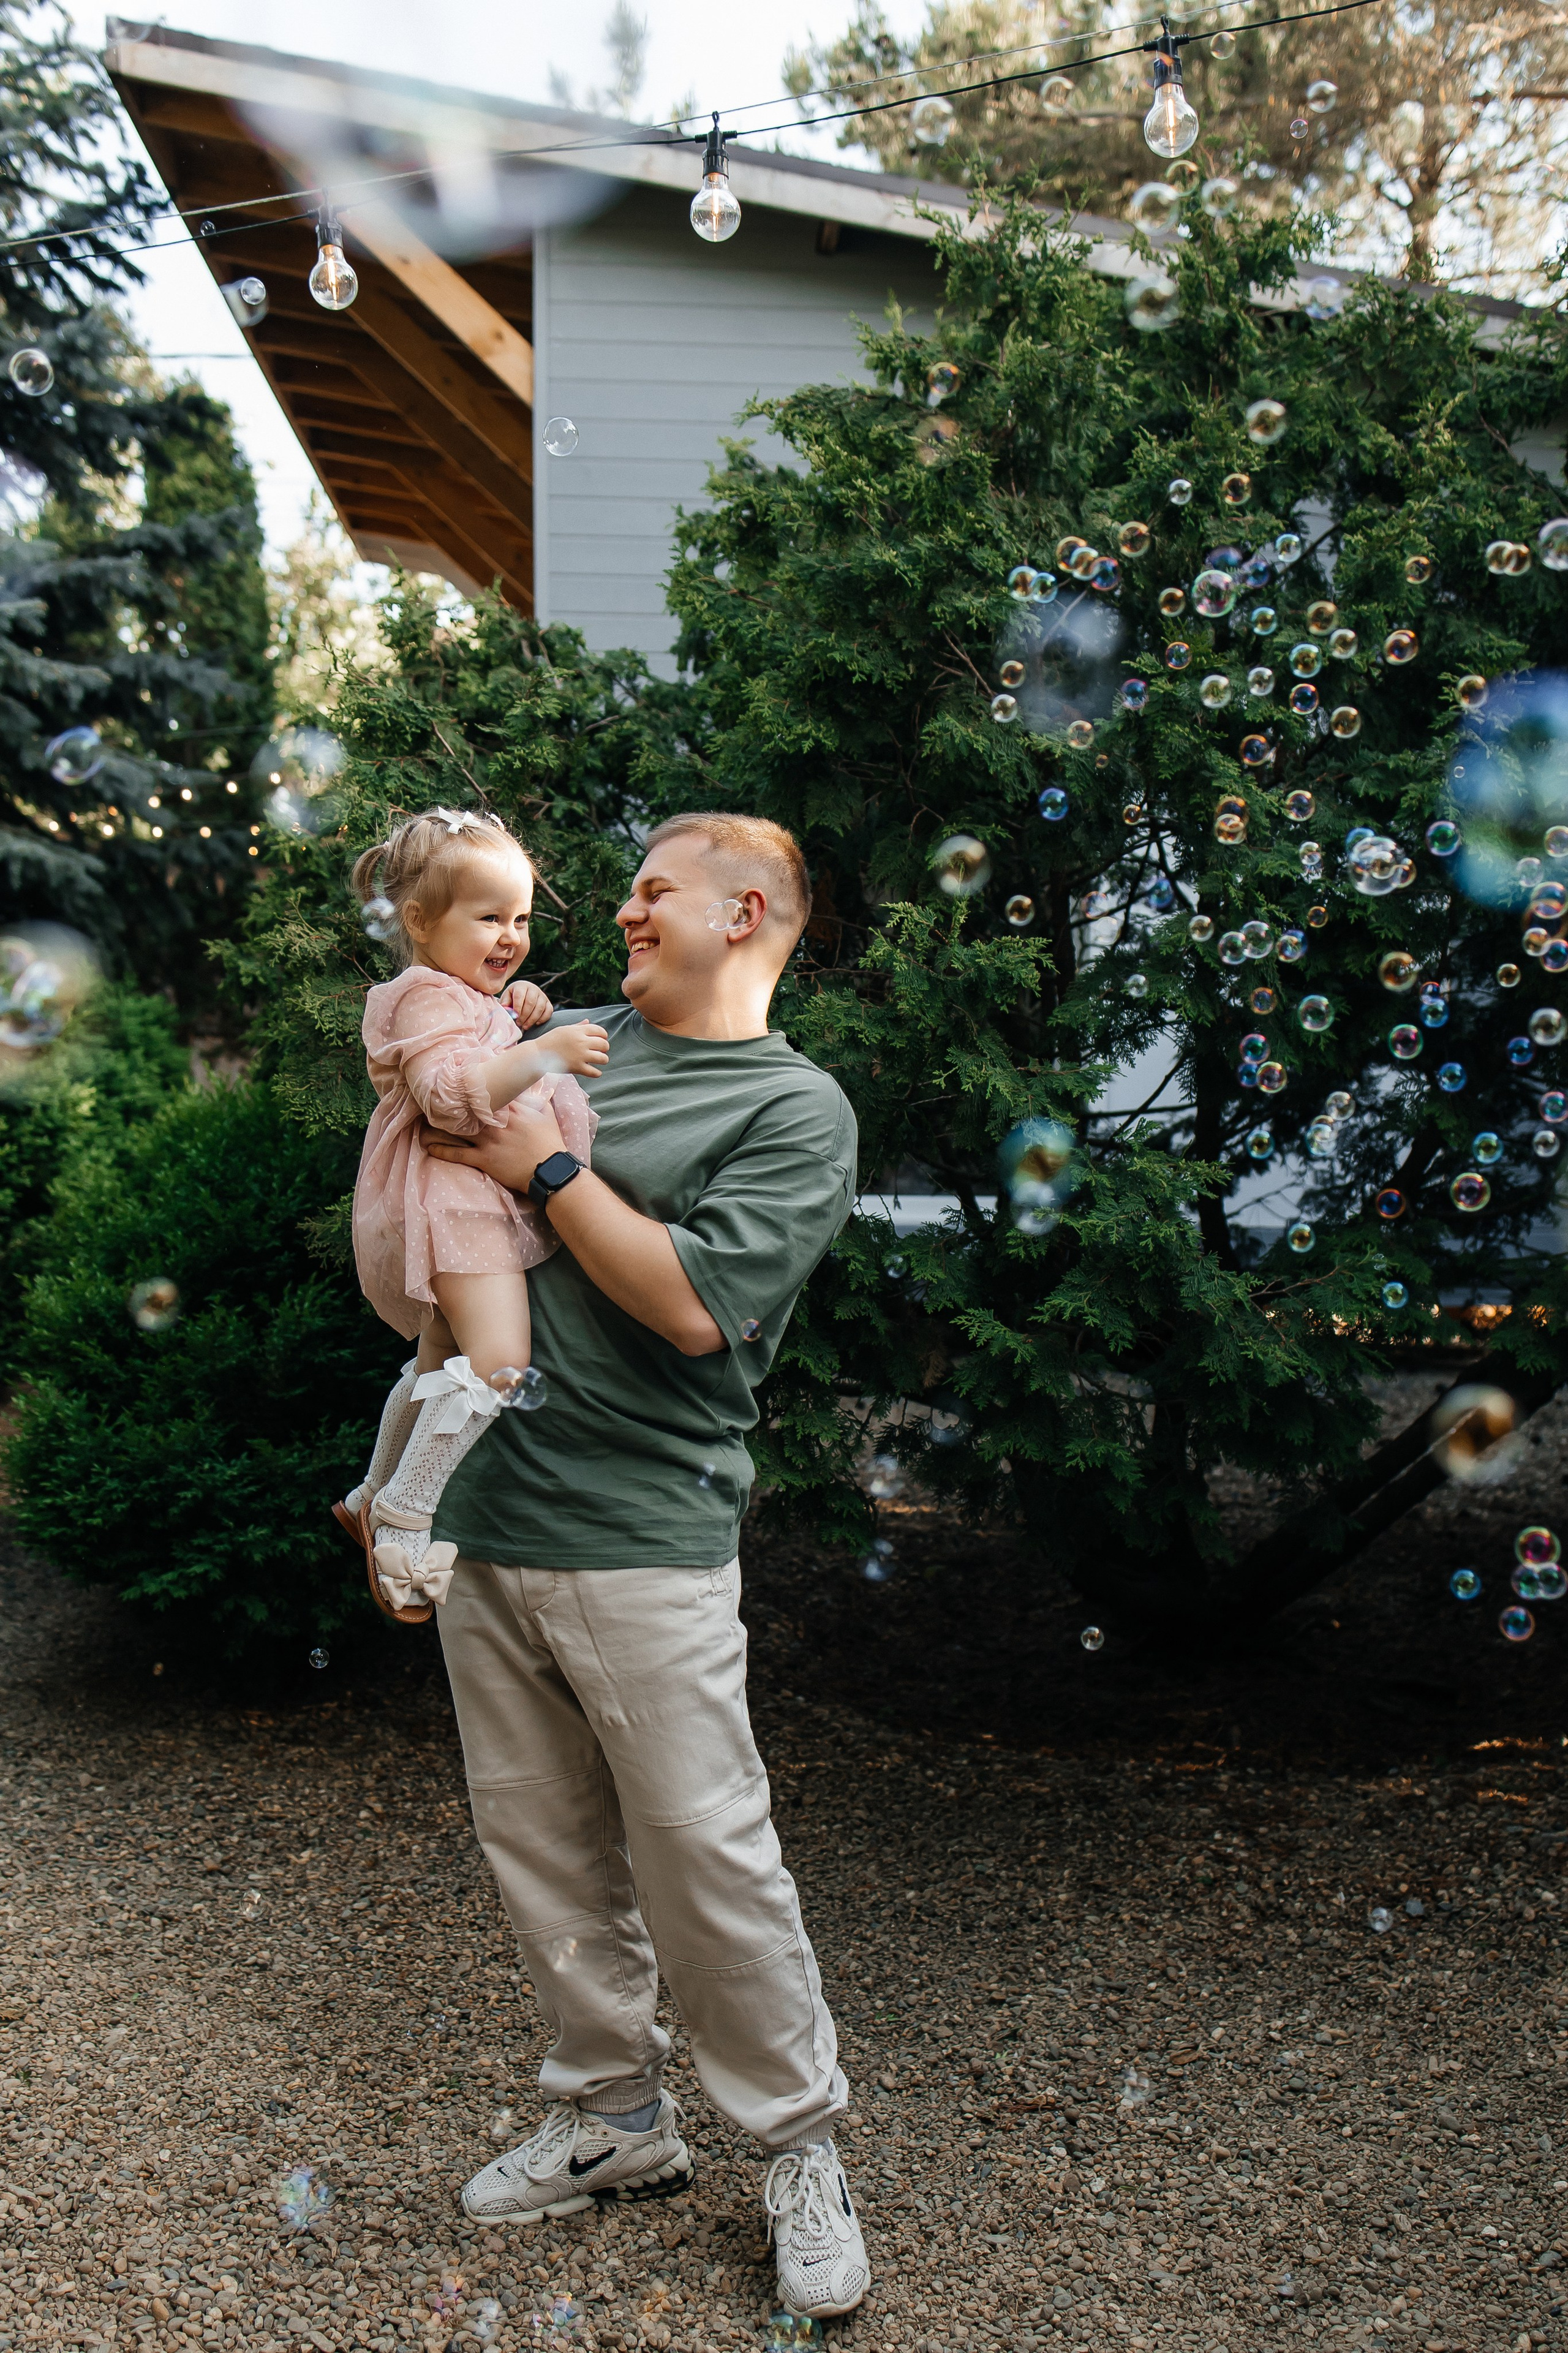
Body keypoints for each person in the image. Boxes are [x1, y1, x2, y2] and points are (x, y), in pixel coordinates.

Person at [418, 812, 870, 2321]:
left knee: (704, 1854)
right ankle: (614, 2117)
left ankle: (797, 2145)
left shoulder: (794, 1109)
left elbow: (689, 1305)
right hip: (491, 1512)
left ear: (743, 911)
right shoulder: (561, 1032)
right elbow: (421, 1154)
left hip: (642, 1540)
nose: (616, 907)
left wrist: (545, 1164)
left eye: (650, 886)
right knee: (536, 1843)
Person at [338, 805, 607, 1622]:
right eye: (488, 917)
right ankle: (406, 1513)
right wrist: (542, 1051)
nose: (510, 935)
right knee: (497, 1363)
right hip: (457, 1204)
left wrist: (512, 1008)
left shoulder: (453, 991)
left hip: (468, 1203)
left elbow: (477, 1038)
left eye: (521, 918)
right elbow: (451, 1099)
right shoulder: (421, 996)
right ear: (418, 921)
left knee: (439, 1361)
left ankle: (371, 1493)